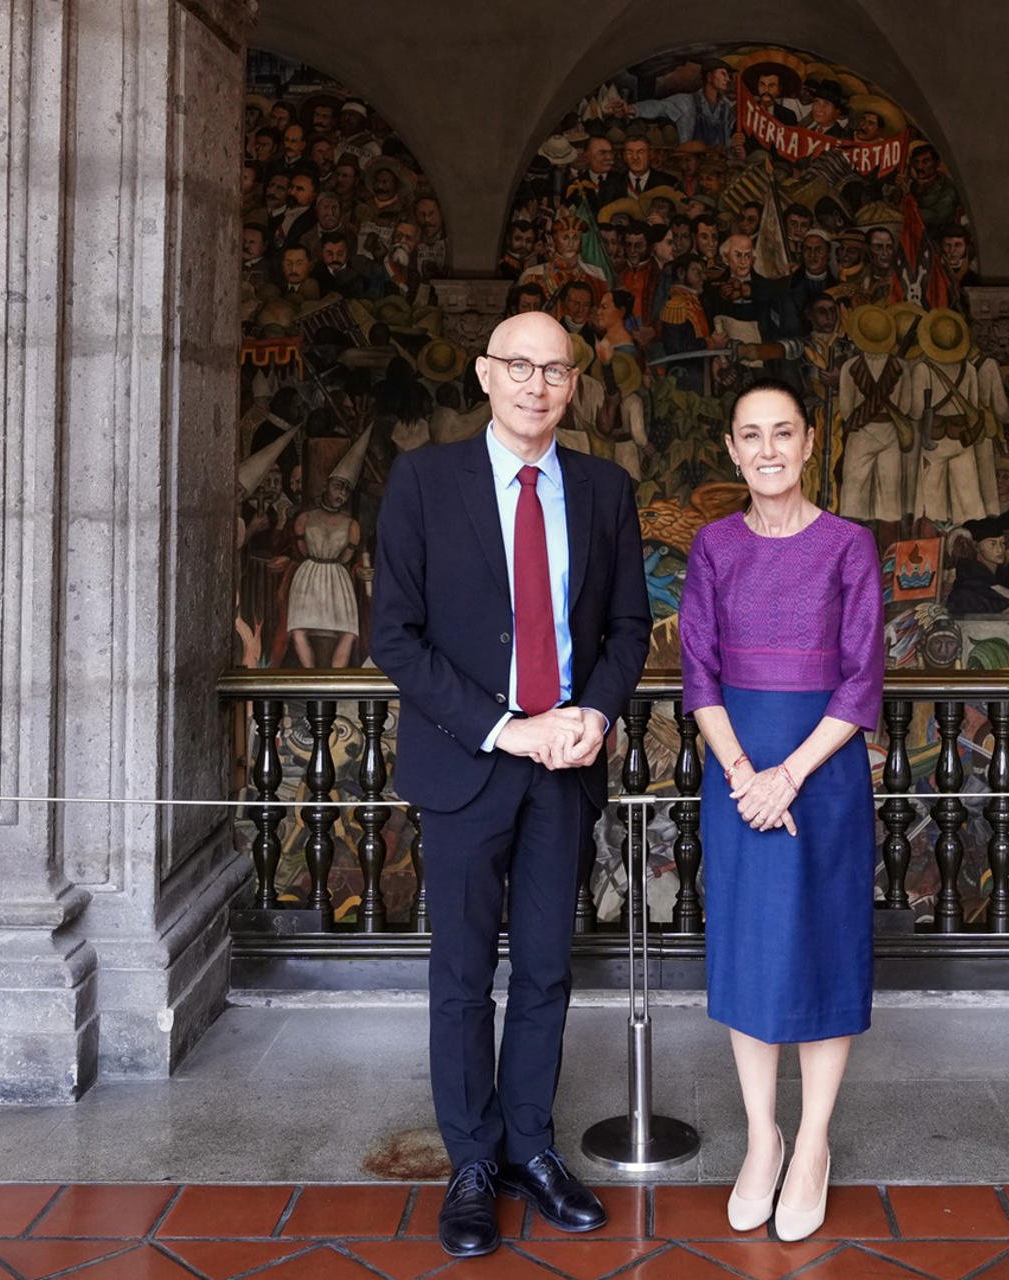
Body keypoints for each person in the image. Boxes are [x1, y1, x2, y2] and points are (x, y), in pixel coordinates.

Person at [370, 311, 650, 1259]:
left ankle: (532, 1148)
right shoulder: (423, 482)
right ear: (487, 374)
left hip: (564, 771)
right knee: (461, 977)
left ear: (574, 386)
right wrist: (506, 727)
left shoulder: (607, 489)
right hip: (468, 764)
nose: (537, 384)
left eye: (556, 370)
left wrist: (594, 717)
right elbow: (395, 637)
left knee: (544, 970)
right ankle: (473, 1165)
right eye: (519, 366)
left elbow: (628, 631)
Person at [677, 378, 884, 1245]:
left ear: (810, 445)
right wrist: (743, 775)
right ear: (732, 448)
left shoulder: (849, 546)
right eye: (750, 435)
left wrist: (786, 777)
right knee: (752, 952)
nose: (767, 449)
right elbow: (698, 674)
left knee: (824, 951)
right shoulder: (714, 547)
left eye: (783, 433)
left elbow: (863, 676)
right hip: (736, 774)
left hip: (821, 771)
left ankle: (812, 1144)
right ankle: (761, 1139)